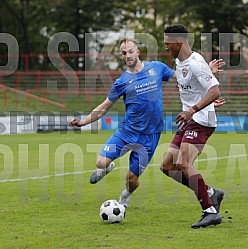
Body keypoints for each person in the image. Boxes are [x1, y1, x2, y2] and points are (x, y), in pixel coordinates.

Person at [69, 38, 225, 211]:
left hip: (149, 137)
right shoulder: (121, 82)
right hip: (127, 132)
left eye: (130, 51)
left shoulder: (156, 68)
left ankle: (124, 198)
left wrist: (206, 81)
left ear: (138, 52)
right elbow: (104, 107)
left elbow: (184, 79)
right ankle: (108, 166)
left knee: (132, 179)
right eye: (123, 53)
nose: (127, 55)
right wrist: (83, 121)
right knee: (100, 162)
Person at [161, 24, 224, 229]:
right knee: (168, 166)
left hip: (201, 120)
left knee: (184, 163)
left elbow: (214, 92)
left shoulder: (195, 63)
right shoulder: (183, 62)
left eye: (168, 43)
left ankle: (210, 211)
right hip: (190, 119)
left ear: (178, 42)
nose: (166, 47)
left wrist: (192, 110)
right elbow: (200, 85)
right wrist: (209, 72)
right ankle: (210, 193)